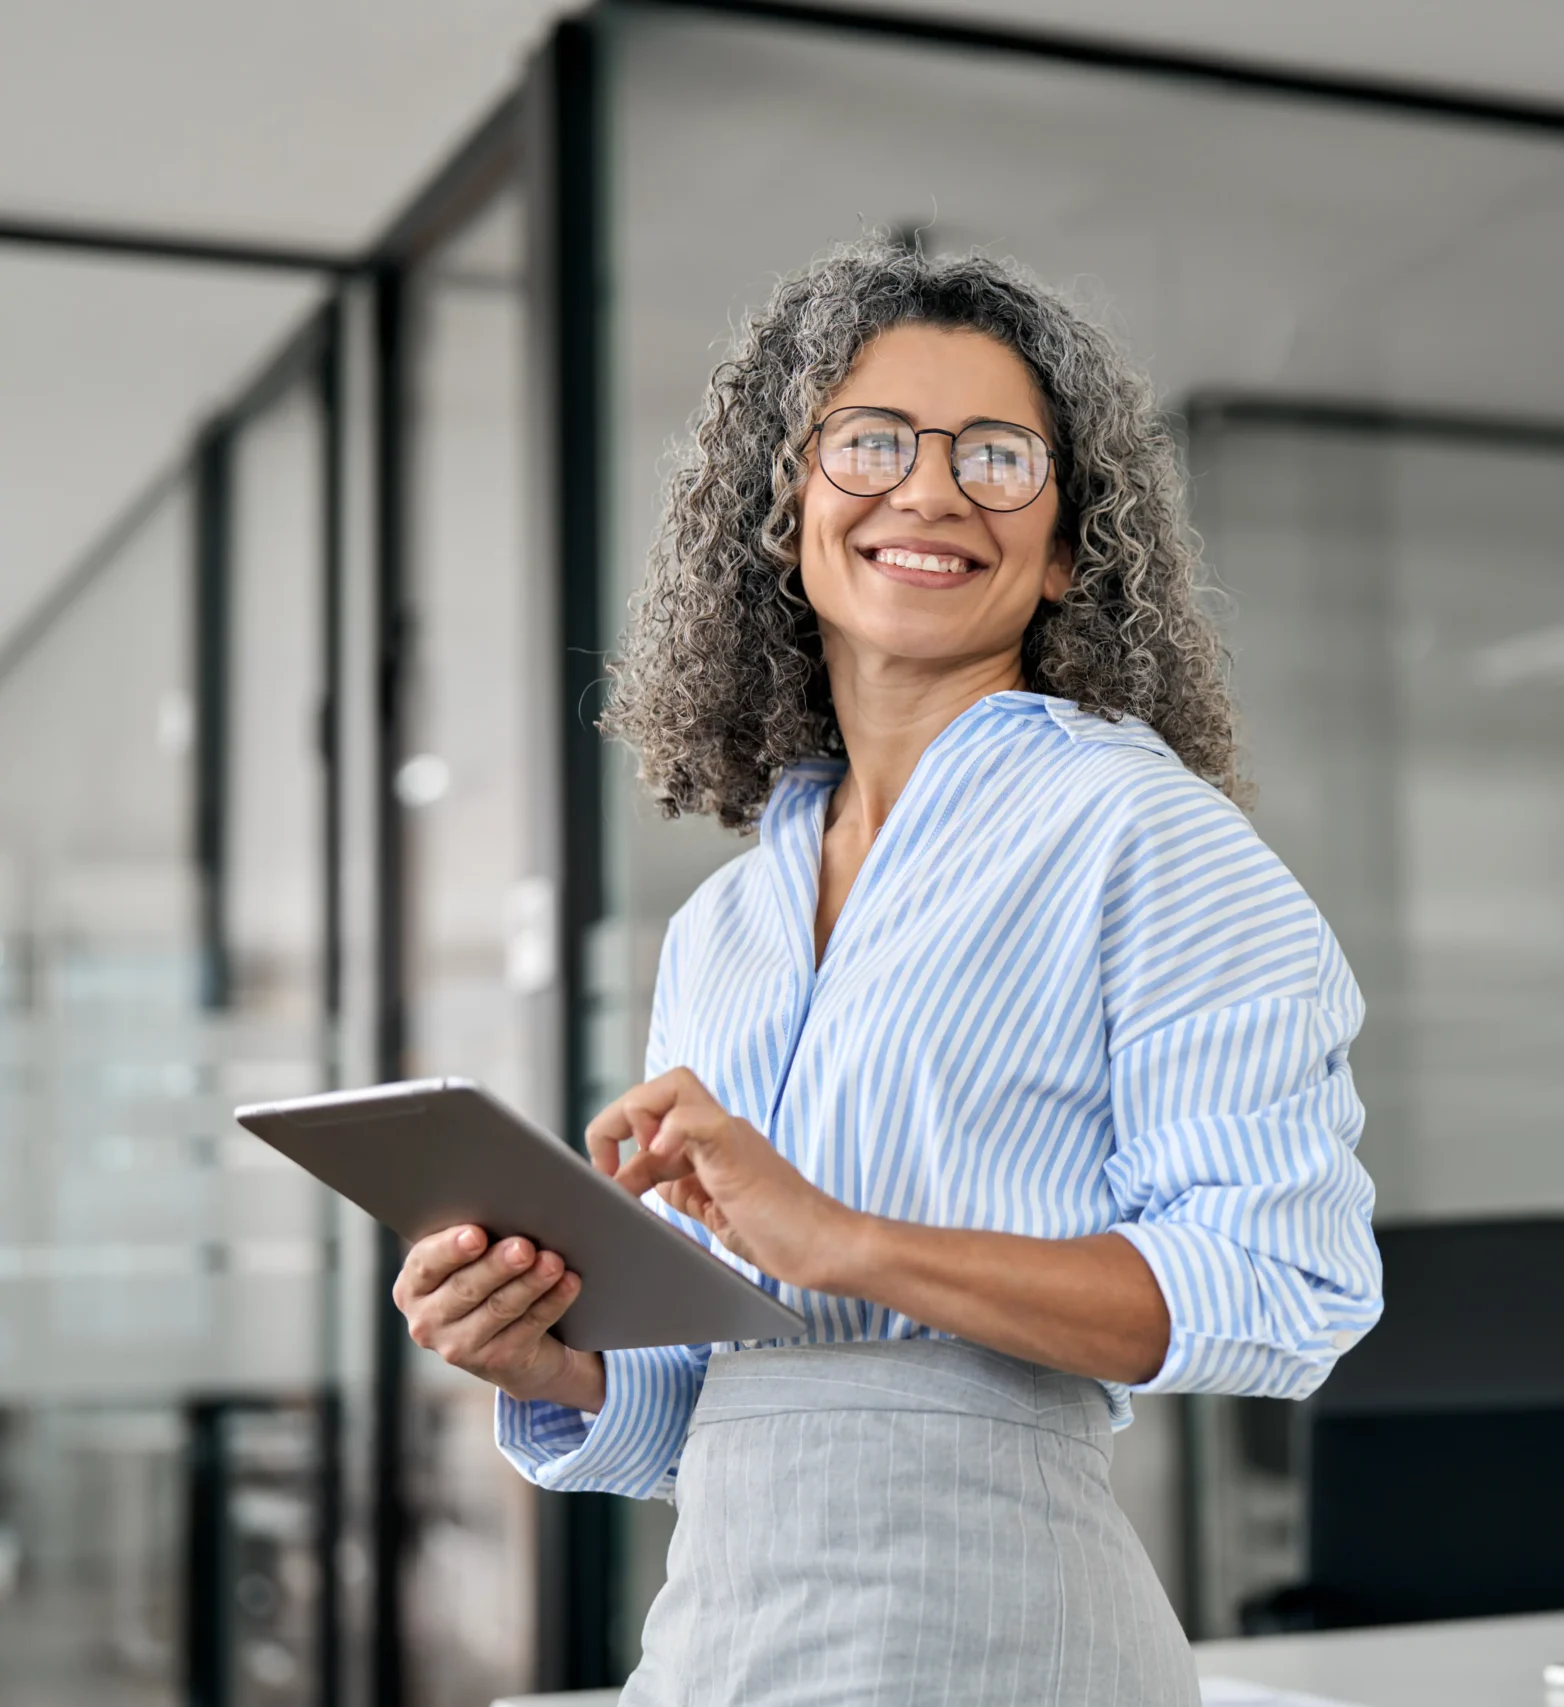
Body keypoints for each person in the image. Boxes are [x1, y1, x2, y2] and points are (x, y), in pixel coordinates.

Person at [388, 237, 1383, 1706]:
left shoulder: (1141, 832)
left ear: (1066, 547)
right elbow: (730, 1398)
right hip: (722, 1645)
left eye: (997, 456)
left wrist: (845, 1237)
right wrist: (553, 1359)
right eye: (872, 442)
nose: (929, 490)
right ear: (784, 508)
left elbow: (1285, 1282)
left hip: (1000, 1635)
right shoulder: (727, 922)